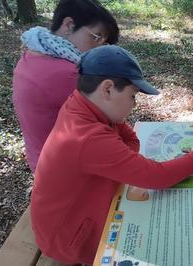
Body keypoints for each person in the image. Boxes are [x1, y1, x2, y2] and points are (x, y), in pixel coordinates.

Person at [30, 45, 193, 265]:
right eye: (132, 96)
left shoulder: (81, 104)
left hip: (66, 220)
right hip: (68, 238)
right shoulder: (88, 136)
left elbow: (130, 140)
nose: (134, 104)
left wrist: (121, 161)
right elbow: (156, 177)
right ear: (108, 89)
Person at [12, 0, 119, 172]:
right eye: (96, 37)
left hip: (40, 159)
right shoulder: (68, 74)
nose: (99, 48)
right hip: (65, 170)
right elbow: (109, 122)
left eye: (103, 42)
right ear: (69, 25)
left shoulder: (32, 54)